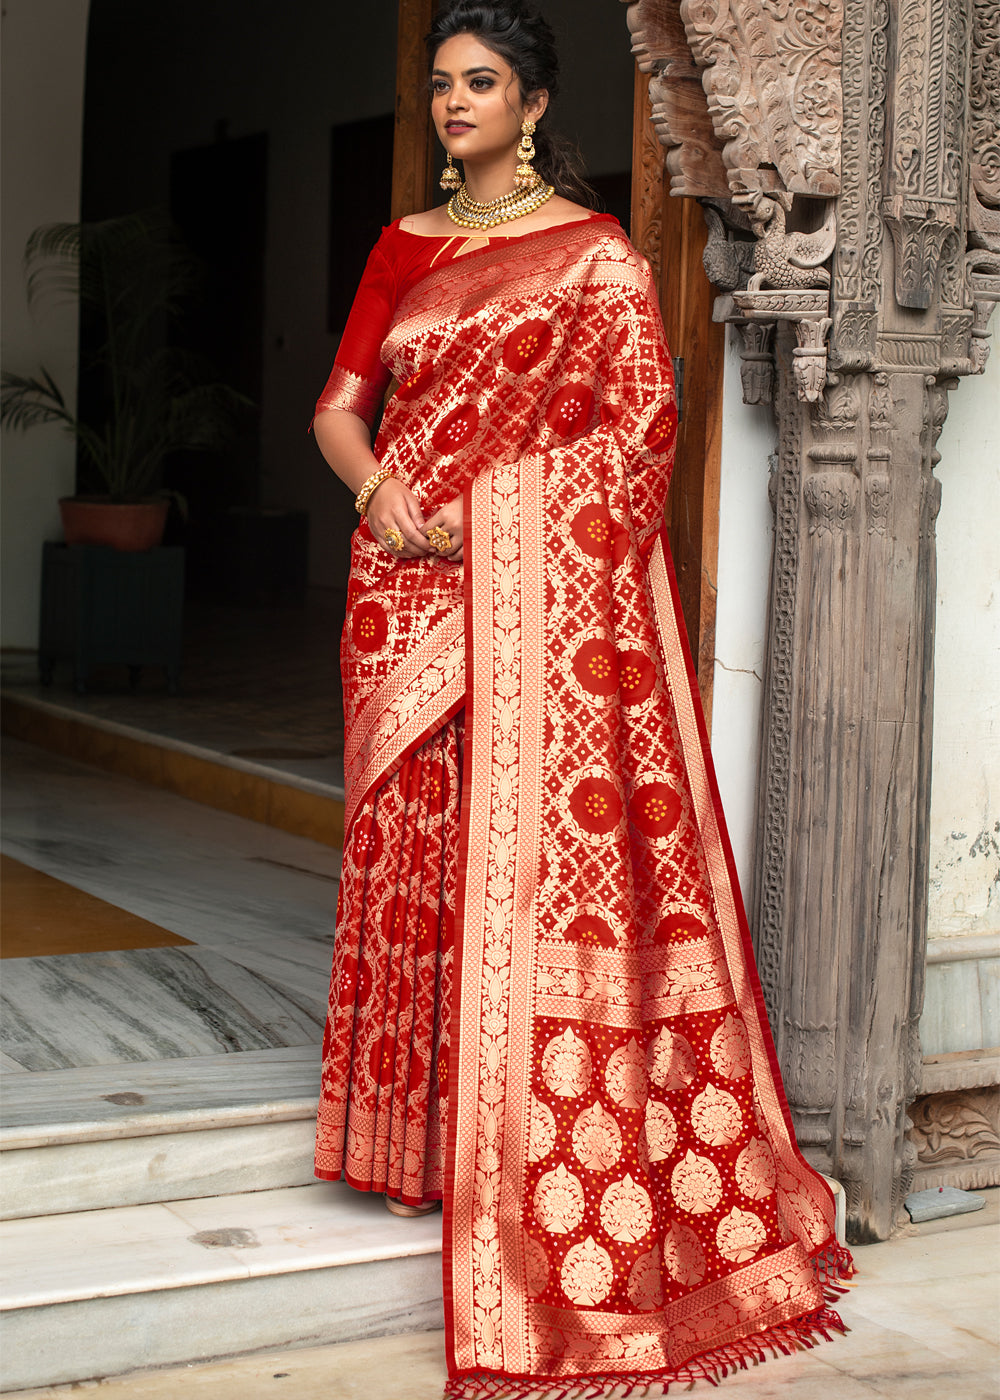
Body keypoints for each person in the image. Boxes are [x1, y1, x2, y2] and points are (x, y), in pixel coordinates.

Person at [312, 3, 853, 1396]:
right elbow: (338, 407)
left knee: (515, 863)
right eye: (440, 84)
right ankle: (411, 1145)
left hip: (527, 597)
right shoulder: (401, 250)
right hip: (406, 591)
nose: (453, 104)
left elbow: (642, 430)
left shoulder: (598, 260)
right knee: (415, 858)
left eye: (479, 83)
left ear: (536, 104)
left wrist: (496, 515)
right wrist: (389, 495)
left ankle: (510, 1150)